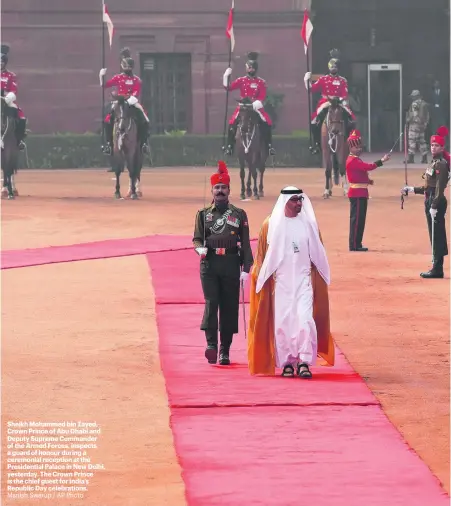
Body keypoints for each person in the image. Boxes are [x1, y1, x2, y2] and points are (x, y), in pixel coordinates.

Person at [247, 186, 335, 378]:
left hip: (304, 281)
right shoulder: (270, 224)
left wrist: (319, 280)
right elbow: (262, 256)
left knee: (304, 319)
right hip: (281, 283)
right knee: (283, 323)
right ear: (285, 202)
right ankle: (288, 362)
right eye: (294, 200)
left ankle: (304, 361)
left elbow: (318, 255)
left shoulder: (309, 224)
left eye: (300, 200)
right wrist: (257, 276)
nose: (298, 204)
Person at [193, 161, 253, 365]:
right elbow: (197, 238)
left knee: (228, 307)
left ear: (229, 190)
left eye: (223, 188)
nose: (220, 191)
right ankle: (211, 344)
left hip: (230, 263)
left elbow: (245, 244)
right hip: (209, 264)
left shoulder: (239, 214)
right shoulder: (203, 214)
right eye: (217, 188)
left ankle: (224, 350)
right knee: (211, 303)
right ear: (212, 190)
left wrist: (246, 269)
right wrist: (199, 248)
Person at [402, 126, 450, 278]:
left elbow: (439, 188)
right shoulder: (433, 163)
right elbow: (427, 187)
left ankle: (437, 268)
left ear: (442, 148)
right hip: (430, 200)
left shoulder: (441, 164)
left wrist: (434, 205)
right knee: (433, 235)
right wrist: (412, 189)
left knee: (437, 235)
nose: (433, 147)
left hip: (436, 202)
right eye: (432, 145)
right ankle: (436, 266)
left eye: (436, 145)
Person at [222, 51, 275, 156]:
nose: (250, 69)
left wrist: (256, 103)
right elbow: (229, 88)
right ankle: (230, 146)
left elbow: (262, 96)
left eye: (252, 68)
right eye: (249, 67)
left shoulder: (261, 82)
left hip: (255, 106)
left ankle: (269, 146)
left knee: (266, 123)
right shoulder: (241, 80)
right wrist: (226, 76)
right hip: (243, 107)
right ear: (246, 68)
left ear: (255, 69)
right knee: (232, 123)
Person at [99, 47, 150, 155]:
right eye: (125, 66)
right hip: (119, 101)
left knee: (145, 119)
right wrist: (101, 76)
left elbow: (136, 92)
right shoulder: (118, 78)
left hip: (132, 101)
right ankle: (108, 143)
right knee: (107, 119)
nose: (127, 68)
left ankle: (144, 144)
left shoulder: (137, 80)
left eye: (129, 66)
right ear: (122, 66)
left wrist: (129, 99)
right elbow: (105, 85)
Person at [346, 130, 391, 251]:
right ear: (351, 148)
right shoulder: (353, 160)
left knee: (360, 220)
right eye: (356, 147)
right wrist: (382, 160)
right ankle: (354, 245)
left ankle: (357, 243)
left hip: (360, 192)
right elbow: (368, 167)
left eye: (360, 147)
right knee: (357, 221)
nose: (359, 149)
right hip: (357, 194)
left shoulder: (355, 159)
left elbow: (360, 173)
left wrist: (367, 181)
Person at [304, 49, 355, 153]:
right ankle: (317, 143)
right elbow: (311, 89)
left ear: (338, 68)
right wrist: (306, 80)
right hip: (326, 101)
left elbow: (344, 94)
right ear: (329, 67)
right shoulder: (323, 79)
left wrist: (339, 100)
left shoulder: (343, 80)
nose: (333, 68)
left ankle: (348, 142)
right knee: (315, 120)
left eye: (335, 66)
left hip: (339, 101)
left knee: (350, 119)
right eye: (331, 66)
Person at [1, 44, 27, 150]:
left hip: (5, 99)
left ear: (5, 63)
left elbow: (13, 89)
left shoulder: (11, 75)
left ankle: (19, 140)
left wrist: (8, 98)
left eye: (2, 61)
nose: (0, 63)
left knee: (21, 117)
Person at [406, 90, 429, 164]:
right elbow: (427, 115)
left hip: (415, 125)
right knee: (422, 141)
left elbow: (415, 115)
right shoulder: (424, 103)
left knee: (412, 141)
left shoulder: (415, 104)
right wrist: (425, 124)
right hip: (422, 125)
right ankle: (424, 158)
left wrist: (409, 120)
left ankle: (411, 158)